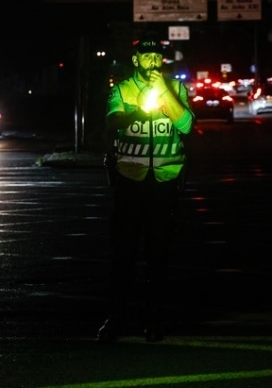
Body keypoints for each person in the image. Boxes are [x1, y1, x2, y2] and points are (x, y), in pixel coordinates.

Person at [97, 36, 195, 343]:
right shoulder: (123, 89)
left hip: (164, 181)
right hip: (130, 180)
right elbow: (112, 122)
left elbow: (187, 125)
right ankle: (116, 319)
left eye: (157, 57)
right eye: (146, 56)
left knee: (158, 253)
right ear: (136, 60)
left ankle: (154, 319)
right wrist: (137, 113)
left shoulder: (176, 89)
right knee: (123, 253)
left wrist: (164, 90)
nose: (152, 62)